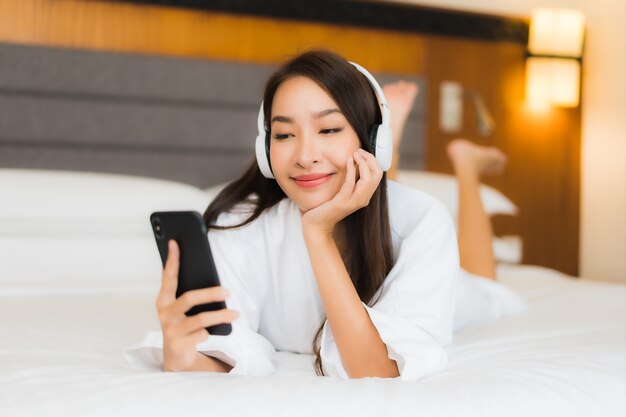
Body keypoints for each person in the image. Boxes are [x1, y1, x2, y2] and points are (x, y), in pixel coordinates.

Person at [124, 50, 525, 381]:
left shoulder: (422, 222)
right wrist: (181, 355)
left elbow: (375, 372)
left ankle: (466, 169)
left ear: (373, 142)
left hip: (451, 287)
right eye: (284, 134)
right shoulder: (237, 226)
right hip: (372, 210)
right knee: (378, 206)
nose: (304, 155)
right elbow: (227, 351)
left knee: (488, 286)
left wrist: (316, 234)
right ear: (265, 151)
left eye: (329, 129)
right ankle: (390, 159)